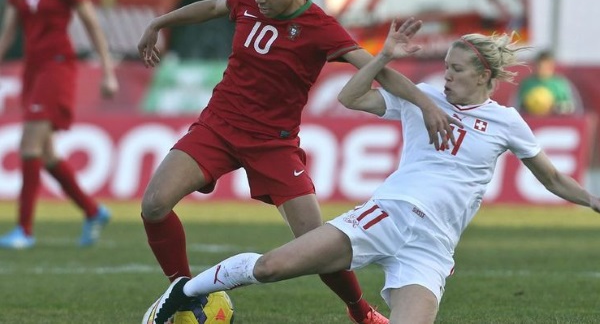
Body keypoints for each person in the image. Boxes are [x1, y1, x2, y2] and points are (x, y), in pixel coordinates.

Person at [141, 18, 600, 324]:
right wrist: (382, 58)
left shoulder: (507, 122)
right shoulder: (423, 98)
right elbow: (351, 97)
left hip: (432, 249)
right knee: (272, 267)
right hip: (389, 213)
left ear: (483, 76)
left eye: (457, 70)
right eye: (445, 68)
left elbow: (553, 178)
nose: (446, 77)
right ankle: (183, 292)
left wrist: (595, 201)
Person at [137, 0, 458, 324]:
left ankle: (362, 313)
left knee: (317, 244)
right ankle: (182, 292)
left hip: (274, 145)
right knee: (153, 204)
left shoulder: (320, 27)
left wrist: (425, 104)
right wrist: (159, 23)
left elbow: (378, 72)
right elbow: (210, 7)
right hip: (217, 127)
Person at [0, 0, 119, 249]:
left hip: (58, 67)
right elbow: (9, 30)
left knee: (29, 145)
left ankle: (24, 230)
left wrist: (108, 71)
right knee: (47, 153)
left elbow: (92, 24)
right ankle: (93, 211)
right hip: (32, 70)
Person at [515, 50, 580, 116]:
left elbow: (572, 107)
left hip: (554, 121)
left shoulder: (560, 84)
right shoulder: (527, 83)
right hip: (531, 120)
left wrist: (554, 107)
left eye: (545, 66)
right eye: (539, 66)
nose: (541, 69)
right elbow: (517, 106)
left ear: (551, 66)